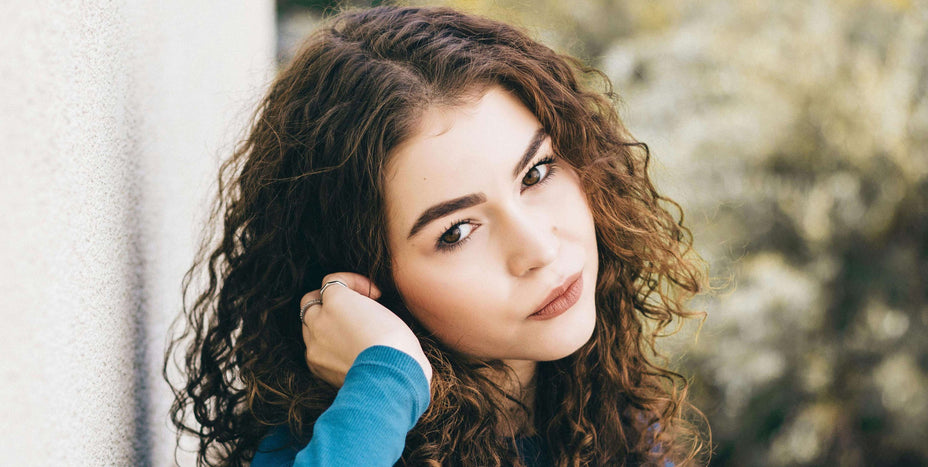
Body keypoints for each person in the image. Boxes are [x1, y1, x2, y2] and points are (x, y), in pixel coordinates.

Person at [165, 5, 707, 466]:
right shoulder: (341, 443)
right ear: (366, 280)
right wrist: (386, 376)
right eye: (457, 231)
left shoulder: (604, 416)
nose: (540, 249)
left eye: (536, 173)